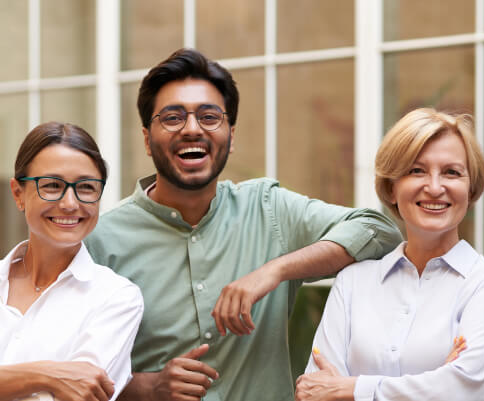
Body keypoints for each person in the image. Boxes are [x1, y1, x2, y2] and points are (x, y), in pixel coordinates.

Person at [84, 48, 402, 401]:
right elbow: (72, 372)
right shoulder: (100, 240)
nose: (192, 129)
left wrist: (274, 270)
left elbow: (379, 230)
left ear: (231, 137)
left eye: (209, 116)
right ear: (146, 138)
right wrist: (148, 387)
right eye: (173, 118)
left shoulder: (269, 209)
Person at [294, 108, 484, 401]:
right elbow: (315, 393)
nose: (435, 187)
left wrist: (350, 388)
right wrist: (434, 383)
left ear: (471, 187)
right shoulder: (352, 283)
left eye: (452, 172)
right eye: (416, 170)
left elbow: (463, 390)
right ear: (390, 188)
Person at [0, 122, 143, 401]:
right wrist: (48, 375)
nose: (69, 203)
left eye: (86, 187)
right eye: (52, 185)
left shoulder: (117, 298)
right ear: (18, 194)